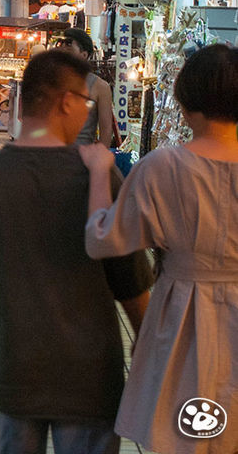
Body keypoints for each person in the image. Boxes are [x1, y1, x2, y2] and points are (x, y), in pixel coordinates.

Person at [0, 48, 152, 454]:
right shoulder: (100, 176)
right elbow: (130, 282)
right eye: (86, 102)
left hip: (11, 373)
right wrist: (145, 343)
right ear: (68, 102)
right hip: (89, 380)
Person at [80, 43, 238, 454]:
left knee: (187, 434)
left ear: (184, 103)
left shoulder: (165, 166)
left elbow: (104, 241)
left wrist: (101, 172)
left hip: (183, 317)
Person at [58, 27, 115, 147]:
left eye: (68, 44)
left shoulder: (100, 87)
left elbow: (106, 131)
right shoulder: (48, 81)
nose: (62, 47)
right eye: (60, 42)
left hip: (80, 158)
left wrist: (99, 161)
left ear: (84, 54)